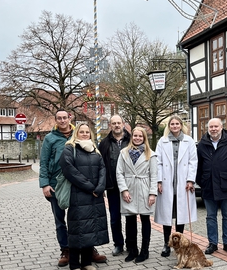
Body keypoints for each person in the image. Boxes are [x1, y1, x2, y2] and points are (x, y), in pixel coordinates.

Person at [59, 123, 109, 270]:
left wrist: (100, 187)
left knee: (91, 228)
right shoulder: (70, 148)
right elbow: (69, 170)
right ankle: (74, 264)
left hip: (95, 196)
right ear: (76, 133)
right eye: (82, 131)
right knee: (77, 230)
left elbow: (102, 168)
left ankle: (86, 263)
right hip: (78, 195)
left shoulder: (95, 149)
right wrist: (90, 187)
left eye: (87, 132)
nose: (85, 134)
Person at [196, 118, 227, 255]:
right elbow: (197, 165)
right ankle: (212, 243)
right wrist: (201, 181)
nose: (213, 129)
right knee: (210, 217)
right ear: (208, 128)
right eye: (211, 127)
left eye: (216, 126)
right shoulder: (202, 144)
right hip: (209, 185)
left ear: (221, 127)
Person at [155, 116, 198, 257]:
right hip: (167, 183)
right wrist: (159, 181)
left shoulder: (189, 141)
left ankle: (179, 245)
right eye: (172, 124)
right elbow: (158, 162)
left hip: (183, 182)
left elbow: (193, 161)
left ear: (181, 125)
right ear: (169, 126)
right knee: (166, 216)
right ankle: (167, 244)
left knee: (181, 215)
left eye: (177, 124)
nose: (174, 126)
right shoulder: (162, 141)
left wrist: (191, 180)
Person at [115, 127, 158, 263]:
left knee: (145, 220)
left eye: (140, 136)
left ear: (144, 138)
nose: (138, 138)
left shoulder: (150, 154)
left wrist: (152, 193)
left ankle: (145, 250)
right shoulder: (124, 153)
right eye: (135, 136)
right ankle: (132, 249)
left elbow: (154, 175)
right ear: (132, 137)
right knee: (130, 220)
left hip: (144, 189)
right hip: (130, 188)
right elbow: (119, 173)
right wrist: (124, 190)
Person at [39, 109, 73, 267]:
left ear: (69, 118)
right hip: (55, 185)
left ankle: (86, 248)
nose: (62, 121)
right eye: (59, 118)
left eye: (64, 118)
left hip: (75, 184)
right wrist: (45, 184)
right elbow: (44, 162)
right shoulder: (50, 138)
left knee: (79, 219)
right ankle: (65, 250)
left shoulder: (77, 134)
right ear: (56, 120)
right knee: (60, 220)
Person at [98, 114, 131, 256]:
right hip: (112, 186)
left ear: (123, 124)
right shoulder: (104, 143)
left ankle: (131, 244)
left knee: (130, 217)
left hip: (130, 186)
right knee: (115, 217)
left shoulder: (132, 140)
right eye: (114, 123)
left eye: (119, 123)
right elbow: (101, 166)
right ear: (110, 125)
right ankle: (118, 244)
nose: (117, 125)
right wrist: (102, 185)